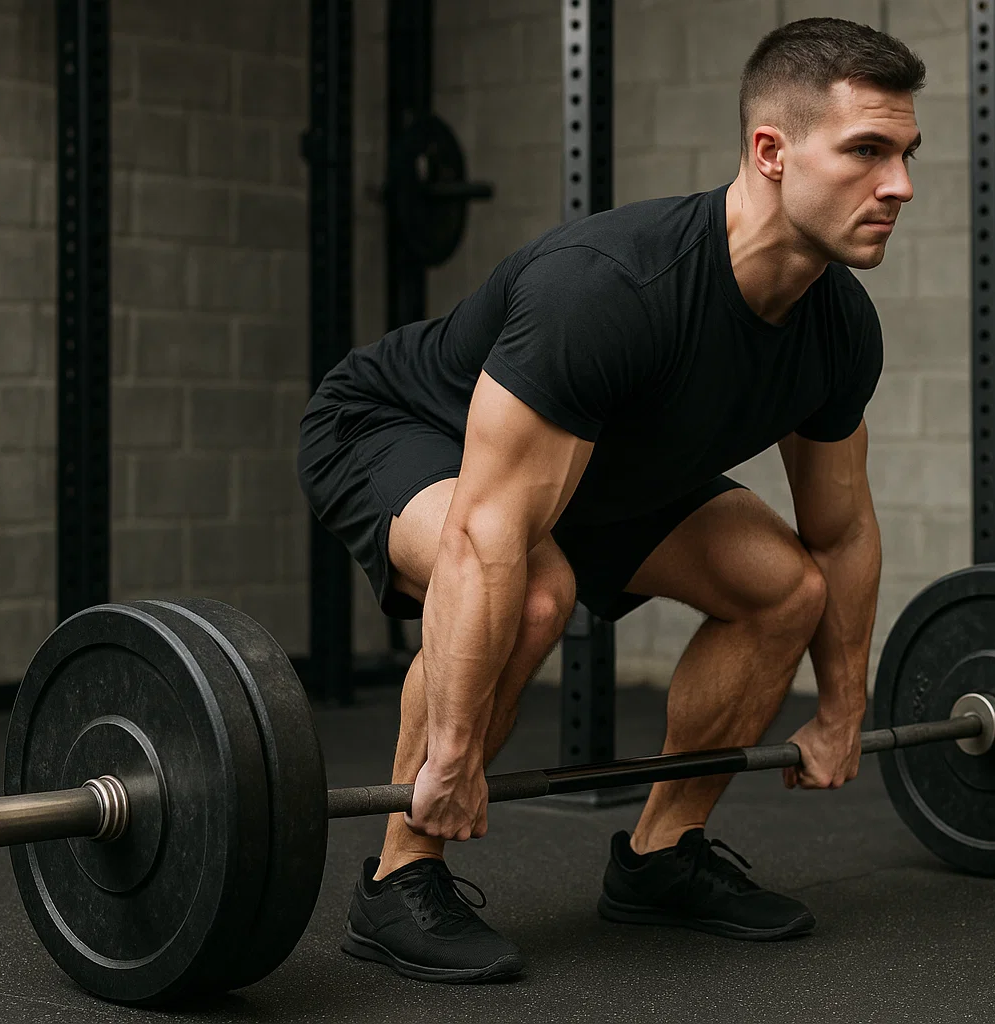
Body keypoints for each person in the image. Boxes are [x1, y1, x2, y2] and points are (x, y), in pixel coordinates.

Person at [297, 16, 923, 984]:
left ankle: (662, 858)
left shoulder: (838, 329)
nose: (900, 187)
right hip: (400, 427)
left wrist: (843, 707)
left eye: (906, 155)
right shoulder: (612, 288)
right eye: (867, 152)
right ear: (770, 151)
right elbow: (488, 532)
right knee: (535, 590)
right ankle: (399, 873)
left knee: (784, 589)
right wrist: (456, 753)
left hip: (597, 470)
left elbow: (839, 531)